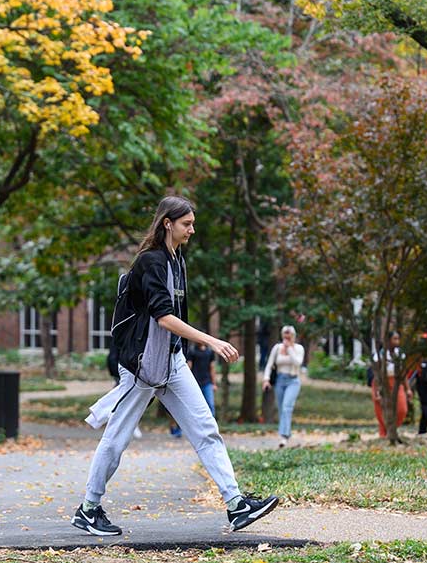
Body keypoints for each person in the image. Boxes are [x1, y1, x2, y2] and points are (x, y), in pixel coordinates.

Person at [73, 196, 279, 536]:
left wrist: (184, 349)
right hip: (142, 367)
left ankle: (236, 504)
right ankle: (89, 509)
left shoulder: (176, 260)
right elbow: (164, 317)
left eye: (193, 224)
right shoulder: (151, 262)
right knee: (116, 439)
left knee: (205, 429)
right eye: (187, 224)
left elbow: (175, 318)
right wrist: (210, 341)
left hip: (171, 363)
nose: (192, 230)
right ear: (167, 223)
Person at [262, 325, 304, 448]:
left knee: (287, 407)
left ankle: (283, 436)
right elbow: (269, 364)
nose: (286, 339)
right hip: (280, 380)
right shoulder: (277, 348)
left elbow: (298, 362)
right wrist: (266, 379)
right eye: (285, 337)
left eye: (289, 337)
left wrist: (289, 349)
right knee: (281, 408)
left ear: (293, 337)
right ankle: (287, 433)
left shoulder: (298, 348)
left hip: (293, 380)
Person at [371, 331, 409, 438]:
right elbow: (377, 374)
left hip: (397, 382)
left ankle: (392, 429)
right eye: (394, 339)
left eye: (398, 339)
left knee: (402, 409)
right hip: (383, 382)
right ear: (387, 340)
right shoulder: (380, 355)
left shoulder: (400, 354)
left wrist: (408, 389)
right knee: (382, 410)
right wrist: (378, 390)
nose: (397, 342)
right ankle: (385, 434)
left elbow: (403, 372)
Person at [187, 341, 217, 417]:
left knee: (210, 404)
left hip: (207, 383)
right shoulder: (192, 351)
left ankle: (211, 425)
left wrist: (214, 383)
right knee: (194, 406)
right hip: (195, 383)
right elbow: (189, 367)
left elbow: (212, 368)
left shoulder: (210, 352)